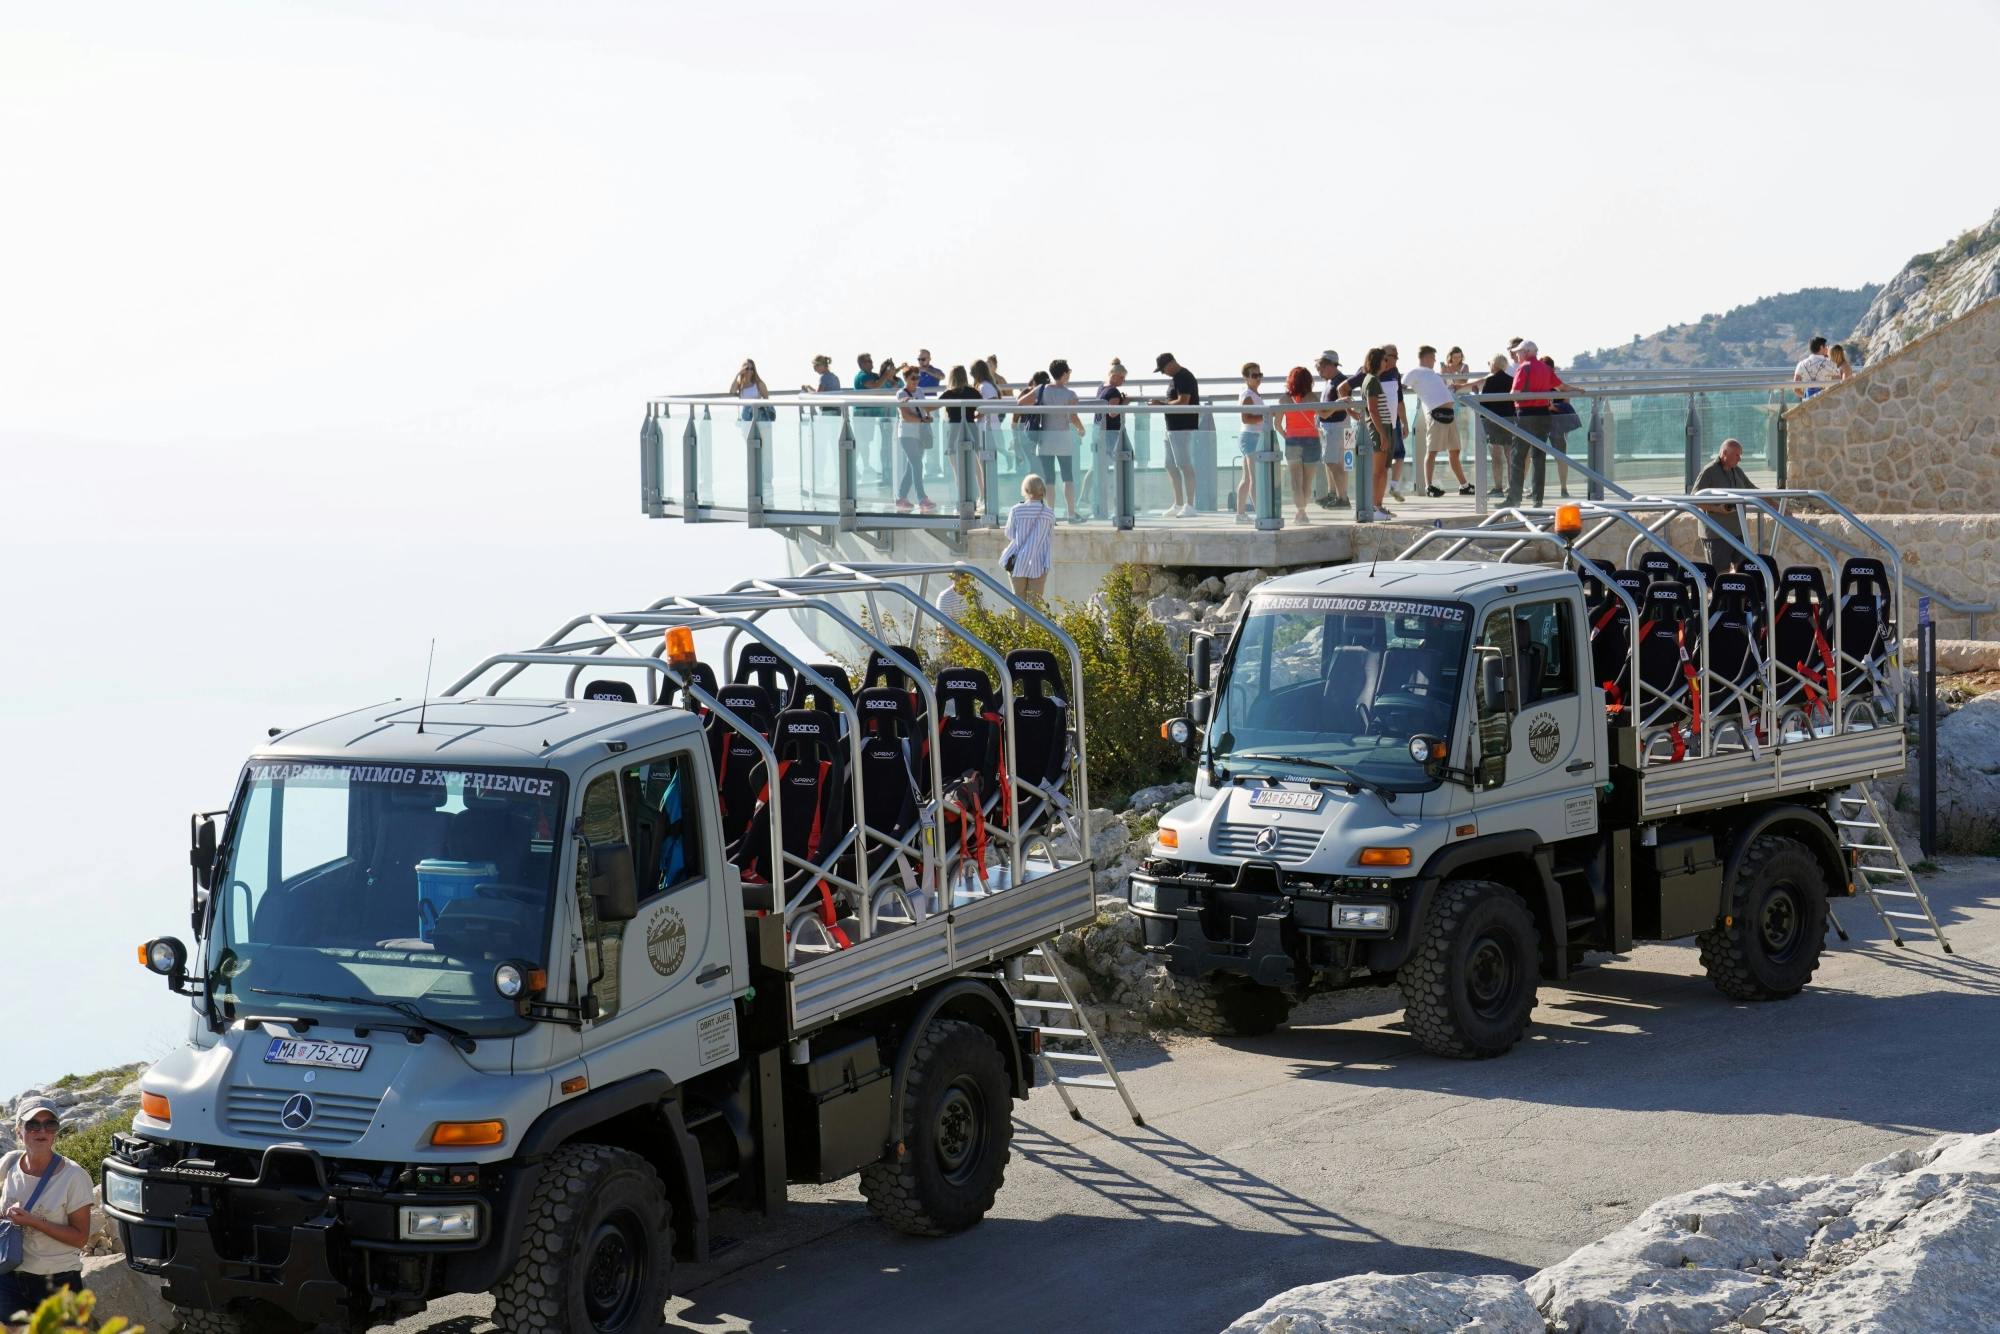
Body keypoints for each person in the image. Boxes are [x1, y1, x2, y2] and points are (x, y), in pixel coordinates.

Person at [0, 1101, 94, 1320]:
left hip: (58, 1282)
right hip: (8, 1277)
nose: (42, 1131)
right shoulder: (8, 1163)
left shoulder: (74, 1176)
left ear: (55, 1133)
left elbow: (80, 1238)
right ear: (19, 1131)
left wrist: (33, 1221)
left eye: (49, 1125)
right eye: (33, 1124)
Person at [1018, 360, 1085, 521]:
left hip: (1045, 438)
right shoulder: (1070, 395)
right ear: (1063, 374)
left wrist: (1039, 407)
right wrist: (1081, 429)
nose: (1069, 374)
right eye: (1068, 371)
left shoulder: (1041, 389)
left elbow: (1020, 403)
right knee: (1067, 476)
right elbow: (1073, 417)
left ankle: (1051, 514)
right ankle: (1070, 513)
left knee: (1049, 479)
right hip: (1063, 438)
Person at [1403, 346, 1471, 497]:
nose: (1434, 361)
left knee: (1455, 450)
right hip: (1435, 415)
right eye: (1433, 358)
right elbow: (1401, 387)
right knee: (1432, 451)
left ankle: (1464, 485)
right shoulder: (1414, 372)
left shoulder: (1433, 374)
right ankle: (1429, 486)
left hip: (1449, 414)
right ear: (1426, 357)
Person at [1507, 338, 1558, 507]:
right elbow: (1561, 386)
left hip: (1525, 415)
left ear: (1526, 353)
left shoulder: (1524, 367)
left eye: (1519, 353)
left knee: (1518, 457)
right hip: (1543, 415)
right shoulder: (1545, 367)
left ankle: (1514, 499)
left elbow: (1515, 393)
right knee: (1538, 457)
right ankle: (1538, 499)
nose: (1518, 356)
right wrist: (1578, 390)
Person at [1150, 353, 1201, 517]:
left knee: (1184, 464)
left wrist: (1161, 405)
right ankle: (1178, 504)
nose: (1163, 373)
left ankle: (1190, 505)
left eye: (1163, 369)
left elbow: (1184, 401)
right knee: (1170, 465)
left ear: (1171, 363)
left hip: (1182, 427)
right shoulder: (1175, 378)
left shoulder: (1184, 377)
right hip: (1171, 427)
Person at [999, 474, 1056, 615]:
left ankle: (1018, 635)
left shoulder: (1016, 510)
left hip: (1017, 562)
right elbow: (1048, 538)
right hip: (1040, 563)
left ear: (1025, 490)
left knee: (1018, 602)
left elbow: (1010, 534)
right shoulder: (1049, 514)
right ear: (1042, 490)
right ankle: (1033, 635)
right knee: (1035, 606)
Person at [1695, 438, 1754, 570]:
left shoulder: (1737, 471)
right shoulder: (1709, 471)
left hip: (1738, 531)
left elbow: (1753, 490)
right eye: (1737, 455)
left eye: (1740, 455)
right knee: (1720, 575)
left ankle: (1738, 592)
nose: (1740, 459)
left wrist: (1776, 504)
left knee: (1743, 570)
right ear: (1724, 453)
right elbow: (1695, 499)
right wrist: (1717, 509)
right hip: (1717, 534)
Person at [1084, 358, 1130, 519]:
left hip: (1097, 429)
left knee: (1096, 465)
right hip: (1110, 432)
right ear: (1115, 375)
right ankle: (1108, 504)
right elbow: (1112, 413)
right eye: (1122, 378)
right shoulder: (1114, 392)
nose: (1124, 381)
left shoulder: (1101, 387)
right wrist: (1125, 403)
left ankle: (1084, 496)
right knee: (1107, 467)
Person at [1278, 367, 1322, 525]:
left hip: (1293, 441)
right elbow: (1323, 414)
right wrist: (1339, 404)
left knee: (1296, 482)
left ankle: (1301, 512)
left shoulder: (1284, 399)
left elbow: (1277, 424)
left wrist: (1287, 436)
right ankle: (1303, 512)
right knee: (1307, 482)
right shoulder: (1312, 397)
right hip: (1312, 440)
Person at [1358, 347, 1397, 521]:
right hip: (1379, 429)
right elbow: (1372, 410)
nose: (1386, 362)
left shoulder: (1372, 380)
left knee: (1383, 469)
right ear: (1377, 361)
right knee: (1378, 471)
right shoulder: (1372, 381)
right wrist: (1382, 434)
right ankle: (1374, 507)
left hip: (1384, 427)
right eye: (1383, 359)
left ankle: (1378, 505)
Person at [938, 365, 984, 511]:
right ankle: (982, 497)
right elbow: (984, 409)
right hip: (971, 429)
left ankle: (962, 501)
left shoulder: (949, 394)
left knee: (958, 471)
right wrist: (975, 416)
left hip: (954, 431)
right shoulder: (973, 392)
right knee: (978, 468)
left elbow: (929, 407)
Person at [893, 363, 937, 513]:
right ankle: (922, 498)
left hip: (919, 434)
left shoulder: (919, 391)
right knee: (917, 465)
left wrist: (927, 418)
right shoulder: (901, 394)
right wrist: (922, 420)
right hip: (906, 434)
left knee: (910, 467)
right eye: (913, 378)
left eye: (917, 377)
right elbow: (905, 416)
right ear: (906, 378)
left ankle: (901, 497)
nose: (916, 381)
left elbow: (923, 409)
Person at [853, 353, 900, 488]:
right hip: (862, 414)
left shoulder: (872, 374)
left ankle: (864, 467)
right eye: (868, 361)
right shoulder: (862, 376)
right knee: (862, 442)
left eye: (871, 360)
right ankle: (857, 467)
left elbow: (884, 377)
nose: (871, 363)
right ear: (861, 364)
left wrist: (893, 370)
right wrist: (886, 375)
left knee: (865, 442)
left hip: (870, 414)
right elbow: (876, 385)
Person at [1314, 351, 1352, 508]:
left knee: (1332, 462)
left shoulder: (1340, 382)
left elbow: (1345, 404)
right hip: (1339, 426)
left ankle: (1342, 498)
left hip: (1336, 426)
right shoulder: (1333, 381)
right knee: (1337, 463)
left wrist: (1323, 414)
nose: (1320, 373)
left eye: (1321, 369)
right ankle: (1335, 494)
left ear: (1329, 365)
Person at [1541, 354, 1580, 499]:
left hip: (1556, 425)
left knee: (1561, 457)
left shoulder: (1558, 385)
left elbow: (1566, 404)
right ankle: (1536, 489)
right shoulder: (1539, 384)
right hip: (1541, 422)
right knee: (1537, 456)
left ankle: (1564, 488)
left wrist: (1553, 407)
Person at [1234, 363, 1268, 523]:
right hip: (1251, 437)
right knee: (1255, 477)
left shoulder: (1254, 394)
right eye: (1254, 375)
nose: (1258, 378)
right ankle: (1260, 513)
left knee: (1247, 477)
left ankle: (1240, 514)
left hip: (1251, 436)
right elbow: (1246, 418)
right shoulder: (1248, 395)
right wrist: (1266, 415)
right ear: (1246, 378)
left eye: (1259, 374)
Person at [1479, 354, 1514, 496]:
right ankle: (1513, 486)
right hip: (1510, 421)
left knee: (1496, 455)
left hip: (1493, 421)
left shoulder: (1490, 381)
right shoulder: (1511, 380)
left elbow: (1483, 404)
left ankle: (1498, 487)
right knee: (1510, 454)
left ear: (1494, 365)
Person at [1379, 344, 1410, 503]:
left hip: (1394, 422)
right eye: (1394, 356)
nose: (1397, 359)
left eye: (1398, 356)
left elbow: (1399, 400)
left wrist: (1404, 422)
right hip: (1377, 424)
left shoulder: (1395, 373)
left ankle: (1393, 486)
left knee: (1399, 454)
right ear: (1384, 356)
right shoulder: (1370, 371)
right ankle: (1377, 499)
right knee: (1381, 459)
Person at [1794, 335, 1837, 400]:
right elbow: (1838, 385)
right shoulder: (1830, 364)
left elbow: (1796, 389)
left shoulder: (1801, 364)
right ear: (1821, 347)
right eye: (1826, 346)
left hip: (1807, 403)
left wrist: (1806, 397)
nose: (1827, 348)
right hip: (1825, 402)